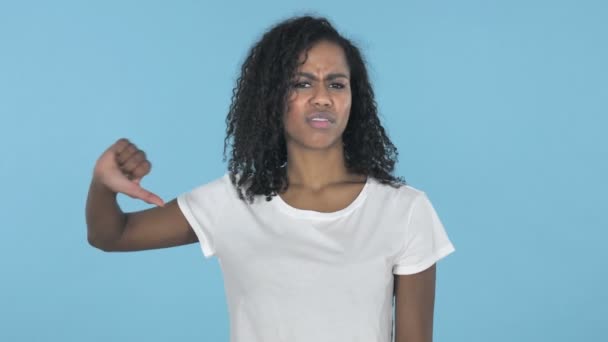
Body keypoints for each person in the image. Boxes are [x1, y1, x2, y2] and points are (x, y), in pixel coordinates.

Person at [86, 15, 455, 342]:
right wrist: (102, 184)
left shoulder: (403, 210)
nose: (322, 98)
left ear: (354, 99)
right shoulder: (234, 200)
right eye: (302, 83)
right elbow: (111, 235)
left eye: (337, 84)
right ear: (272, 98)